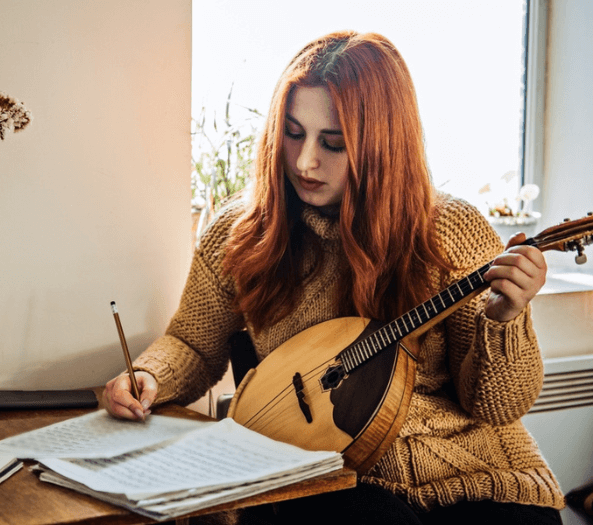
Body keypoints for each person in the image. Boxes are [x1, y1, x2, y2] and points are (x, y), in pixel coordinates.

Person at [105, 31, 564, 524]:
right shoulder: (238, 233)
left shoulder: (450, 230)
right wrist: (149, 374)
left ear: (383, 145)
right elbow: (193, 344)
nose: (305, 162)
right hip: (333, 479)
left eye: (333, 143)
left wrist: (505, 318)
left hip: (477, 473)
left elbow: (497, 407)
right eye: (294, 133)